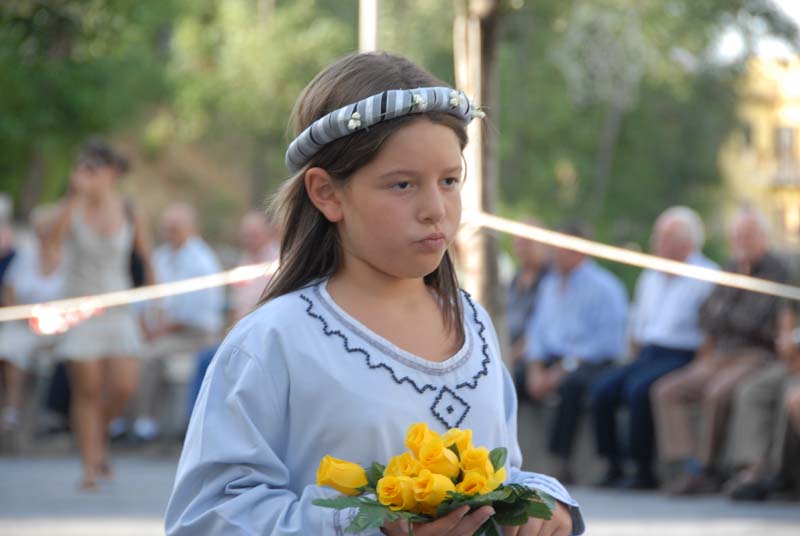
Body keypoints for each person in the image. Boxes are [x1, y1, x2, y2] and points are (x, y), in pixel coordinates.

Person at [165, 52, 583, 535]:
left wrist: (541, 508)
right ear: (327, 193)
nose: (435, 209)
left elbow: (501, 471)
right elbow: (206, 518)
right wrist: (360, 526)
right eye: (402, 184)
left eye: (449, 181)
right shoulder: (273, 342)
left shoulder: (474, 324)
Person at [652, 208, 788, 495]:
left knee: (717, 392)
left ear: (763, 237)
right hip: (718, 355)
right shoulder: (729, 268)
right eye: (737, 236)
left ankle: (707, 469)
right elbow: (703, 316)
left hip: (754, 356)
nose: (742, 242)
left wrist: (723, 314)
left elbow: (752, 322)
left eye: (748, 236)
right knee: (667, 390)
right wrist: (725, 315)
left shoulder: (775, 270)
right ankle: (687, 463)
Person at [590, 207, 717, 489]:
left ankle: (643, 470)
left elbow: (709, 334)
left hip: (682, 355)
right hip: (649, 352)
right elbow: (638, 325)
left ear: (687, 242)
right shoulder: (651, 275)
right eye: (658, 236)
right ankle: (613, 463)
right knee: (603, 389)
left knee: (639, 390)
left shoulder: (707, 276)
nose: (658, 243)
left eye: (666, 237)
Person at [51, 139, 153, 490]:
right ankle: (90, 466)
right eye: (84, 169)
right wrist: (73, 196)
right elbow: (51, 241)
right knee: (88, 390)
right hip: (79, 309)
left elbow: (145, 257)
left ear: (112, 173)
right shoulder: (71, 208)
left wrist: (155, 303)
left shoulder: (128, 210)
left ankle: (99, 440)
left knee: (124, 385)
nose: (89, 175)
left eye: (95, 169)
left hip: (118, 308)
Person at [522, 221, 628, 485]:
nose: (551, 254)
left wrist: (561, 370)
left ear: (578, 251)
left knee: (572, 386)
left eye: (558, 248)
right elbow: (537, 330)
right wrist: (535, 368)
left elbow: (605, 343)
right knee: (509, 378)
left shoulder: (605, 287)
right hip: (552, 359)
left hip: (591, 362)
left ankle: (561, 460)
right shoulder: (549, 285)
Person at [131, 202, 224, 442]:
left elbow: (194, 314)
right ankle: (136, 422)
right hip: (163, 331)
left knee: (149, 355)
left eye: (174, 228)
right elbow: (143, 297)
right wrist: (145, 326)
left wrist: (159, 331)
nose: (169, 233)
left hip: (194, 335)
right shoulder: (161, 256)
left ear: (190, 228)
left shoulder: (201, 261)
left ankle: (145, 423)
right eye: (166, 228)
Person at [185, 210, 280, 423]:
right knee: (207, 358)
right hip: (239, 332)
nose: (248, 240)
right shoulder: (246, 260)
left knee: (210, 360)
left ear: (268, 233)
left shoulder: (278, 263)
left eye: (253, 235)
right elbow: (236, 306)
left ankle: (200, 421)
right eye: (245, 235)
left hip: (261, 336)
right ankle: (198, 422)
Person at [0, 205, 65, 435]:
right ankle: (11, 410)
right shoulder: (26, 256)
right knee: (8, 348)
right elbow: (8, 290)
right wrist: (22, 314)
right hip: (22, 323)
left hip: (57, 328)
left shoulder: (69, 260)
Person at [724, 309, 800, 501]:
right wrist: (787, 341)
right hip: (793, 358)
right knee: (752, 391)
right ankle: (756, 469)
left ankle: (783, 471)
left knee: (793, 394)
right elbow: (788, 311)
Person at [506, 218, 549, 396]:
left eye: (528, 243)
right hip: (509, 348)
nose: (522, 248)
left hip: (534, 356)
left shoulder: (551, 280)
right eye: (519, 243)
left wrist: (508, 356)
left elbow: (541, 328)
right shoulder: (515, 278)